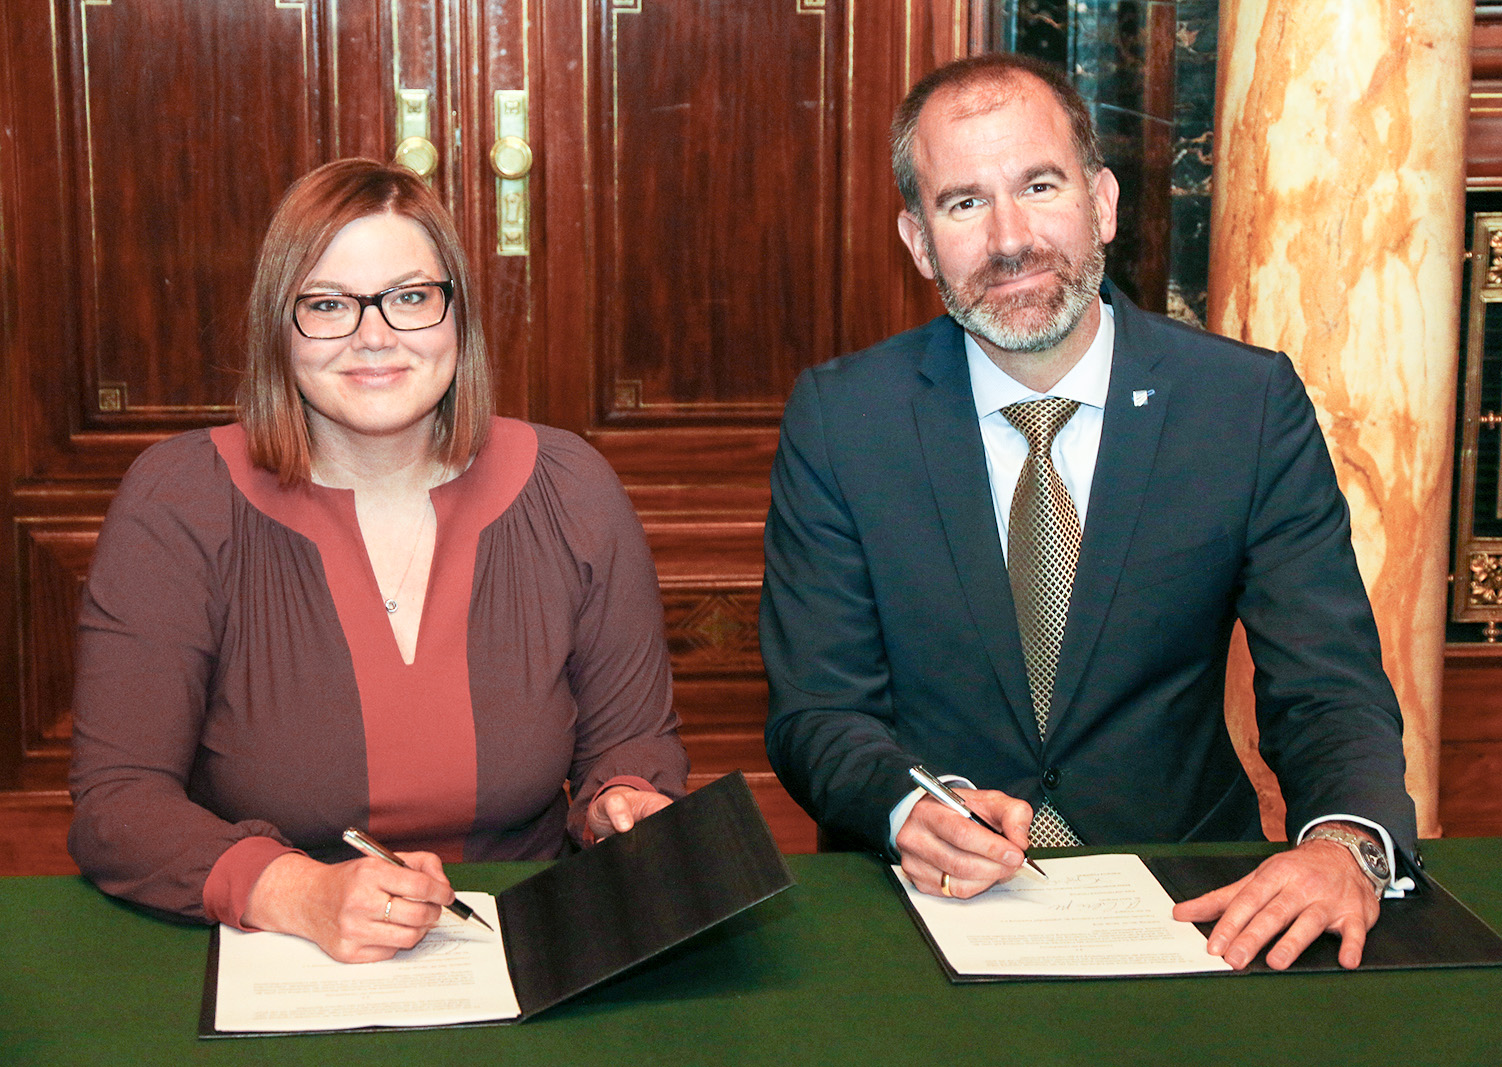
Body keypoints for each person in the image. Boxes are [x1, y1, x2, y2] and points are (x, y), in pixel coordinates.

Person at [761, 54, 1418, 972]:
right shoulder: (843, 420)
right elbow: (817, 709)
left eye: (1039, 184)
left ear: (1103, 202)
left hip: (1194, 898)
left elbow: (1329, 685)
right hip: (923, 913)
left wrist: (1343, 842)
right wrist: (912, 805)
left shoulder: (1244, 405)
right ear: (918, 242)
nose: (1010, 238)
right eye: (963, 203)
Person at [69, 159, 688, 963]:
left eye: (409, 297)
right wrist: (299, 891)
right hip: (280, 950)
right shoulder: (181, 500)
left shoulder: (571, 488)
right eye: (328, 304)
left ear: (455, 313)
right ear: (277, 326)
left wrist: (624, 802)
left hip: (524, 946)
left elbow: (632, 744)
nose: (375, 335)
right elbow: (117, 804)